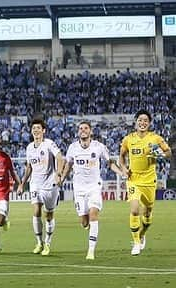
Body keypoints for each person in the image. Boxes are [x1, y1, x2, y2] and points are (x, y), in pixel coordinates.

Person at [60, 121, 123, 260]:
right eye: (81, 128)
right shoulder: (72, 148)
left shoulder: (99, 147)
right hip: (79, 188)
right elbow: (68, 165)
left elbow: (110, 162)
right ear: (78, 132)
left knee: (93, 214)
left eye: (86, 128)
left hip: (94, 186)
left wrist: (121, 173)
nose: (83, 130)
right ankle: (87, 225)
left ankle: (91, 251)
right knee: (84, 221)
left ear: (91, 131)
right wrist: (62, 179)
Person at [119, 110, 171, 256]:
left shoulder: (155, 138)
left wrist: (159, 154)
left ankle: (142, 234)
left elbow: (169, 152)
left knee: (147, 214)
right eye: (140, 120)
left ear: (149, 123)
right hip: (134, 180)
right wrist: (123, 169)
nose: (142, 123)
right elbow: (121, 157)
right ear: (136, 122)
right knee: (135, 209)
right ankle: (136, 242)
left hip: (149, 181)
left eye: (145, 121)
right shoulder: (128, 139)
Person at [17, 119, 64, 256]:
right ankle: (39, 242)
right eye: (34, 128)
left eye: (38, 128)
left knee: (48, 215)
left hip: (49, 184)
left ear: (43, 131)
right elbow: (29, 167)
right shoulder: (29, 147)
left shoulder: (49, 144)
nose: (36, 130)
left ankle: (47, 242)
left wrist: (58, 173)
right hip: (35, 184)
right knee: (36, 211)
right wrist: (22, 183)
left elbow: (59, 157)